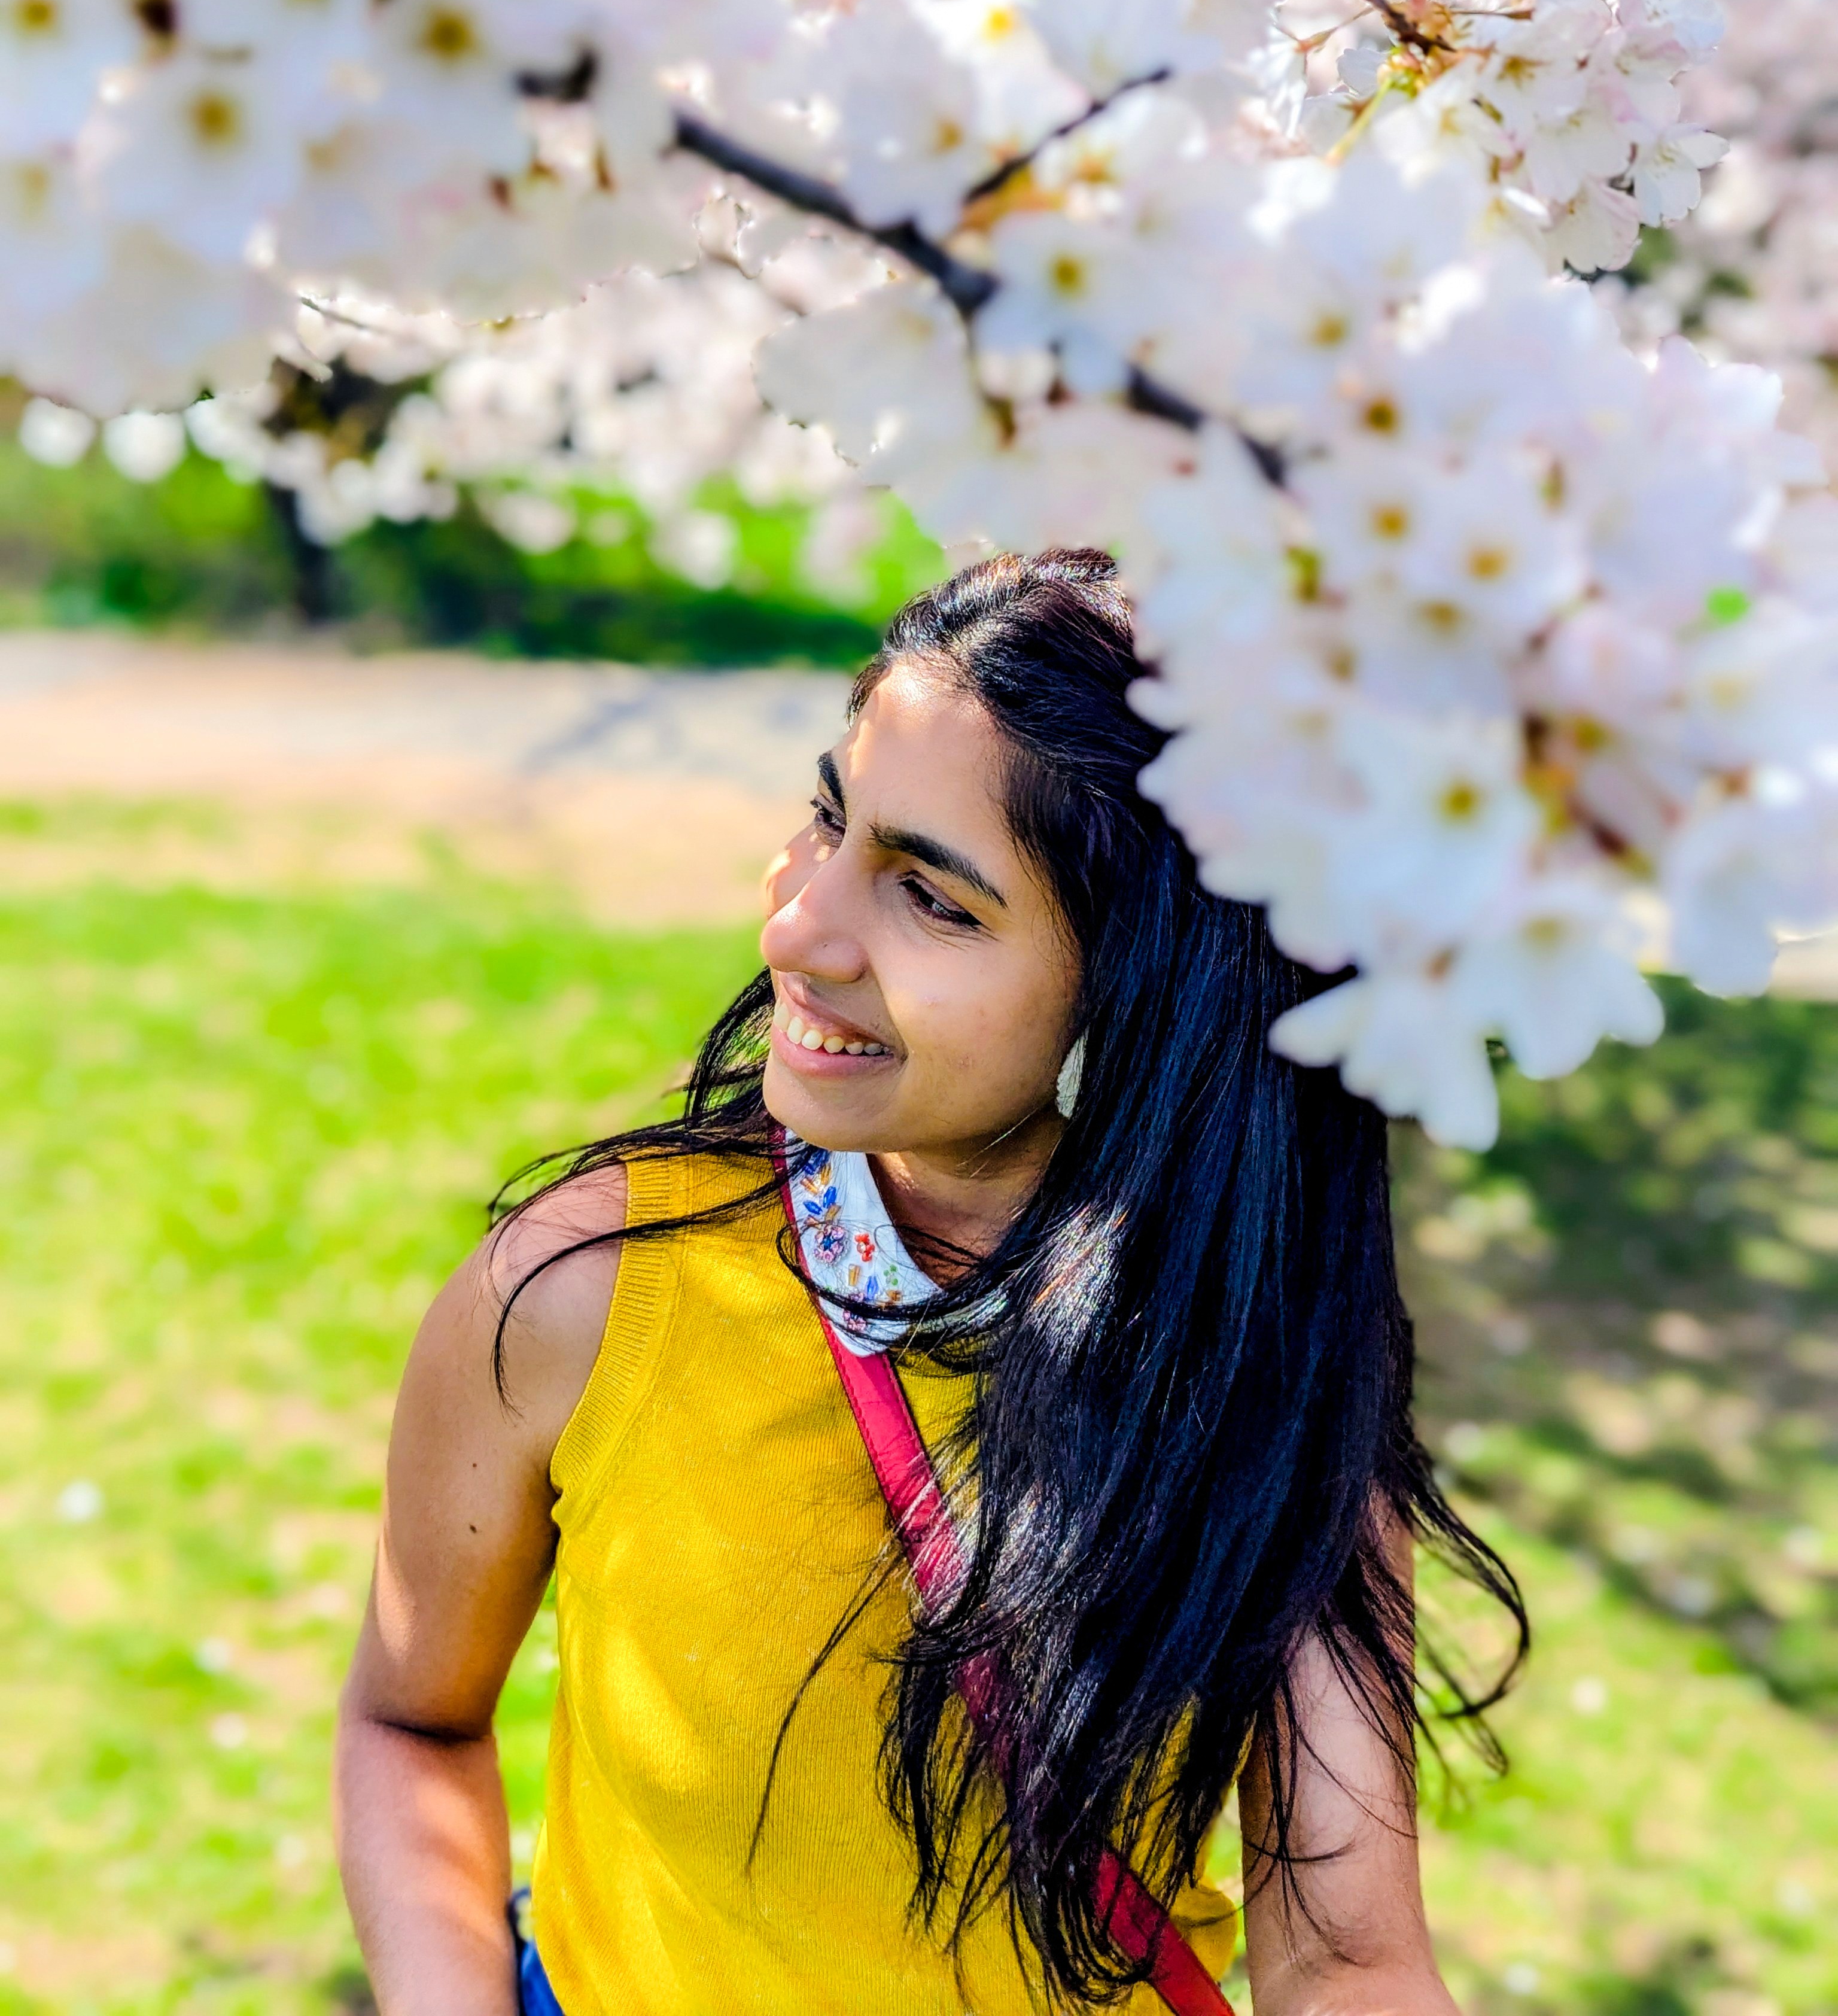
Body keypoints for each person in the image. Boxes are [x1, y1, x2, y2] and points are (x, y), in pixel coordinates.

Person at [335, 549, 1524, 2016]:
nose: (797, 929)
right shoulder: (584, 1291)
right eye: (829, 820)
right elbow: (412, 1717)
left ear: (1147, 1002)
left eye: (933, 900)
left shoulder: (1261, 1386)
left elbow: (1346, 1959)